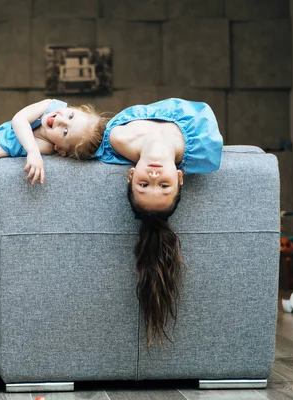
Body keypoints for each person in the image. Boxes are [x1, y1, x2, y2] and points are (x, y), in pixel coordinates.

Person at [95, 97, 223, 346]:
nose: (154, 176)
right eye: (164, 185)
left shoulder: (117, 140)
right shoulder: (204, 147)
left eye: (144, 185)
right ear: (179, 178)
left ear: (131, 175)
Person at [0, 99, 107, 184]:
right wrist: (32, 152)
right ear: (73, 108)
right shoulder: (51, 105)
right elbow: (19, 119)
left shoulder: (46, 147)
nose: (61, 120)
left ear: (60, 149)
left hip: (15, 138)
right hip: (17, 128)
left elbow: (2, 149)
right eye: (71, 115)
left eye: (65, 131)